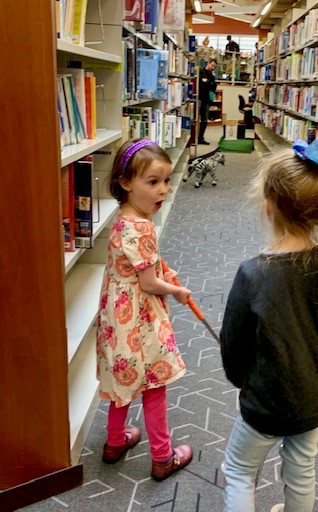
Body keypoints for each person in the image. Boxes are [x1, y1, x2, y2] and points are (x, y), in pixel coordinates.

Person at [220, 138, 318, 512]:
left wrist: (245, 381)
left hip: (267, 401)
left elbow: (233, 347)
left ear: (268, 208)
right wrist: (314, 348)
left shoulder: (253, 274)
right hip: (316, 397)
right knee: (301, 468)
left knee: (238, 470)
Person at [97, 138, 193, 481]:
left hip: (117, 319)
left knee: (123, 379)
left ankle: (113, 442)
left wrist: (160, 267)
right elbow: (149, 284)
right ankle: (163, 457)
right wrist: (178, 290)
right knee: (154, 386)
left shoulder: (123, 218)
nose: (163, 190)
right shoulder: (143, 227)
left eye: (166, 181)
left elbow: (134, 264)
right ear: (125, 182)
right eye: (152, 182)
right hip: (141, 319)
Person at [198, 58, 217, 145]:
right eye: (212, 65)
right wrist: (209, 83)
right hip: (199, 98)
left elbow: (214, 87)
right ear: (208, 63)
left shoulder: (212, 75)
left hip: (207, 100)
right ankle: (193, 137)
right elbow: (201, 84)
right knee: (196, 118)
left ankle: (201, 138)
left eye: (214, 67)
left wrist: (207, 82)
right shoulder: (200, 71)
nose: (213, 68)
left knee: (204, 120)